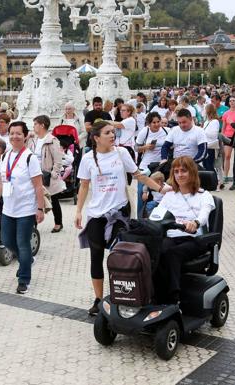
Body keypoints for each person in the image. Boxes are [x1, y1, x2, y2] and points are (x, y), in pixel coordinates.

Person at [75, 121, 162, 315]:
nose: (112, 136)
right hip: (97, 213)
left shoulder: (122, 153)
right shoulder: (88, 158)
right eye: (107, 133)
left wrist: (162, 189)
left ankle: (122, 294)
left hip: (120, 212)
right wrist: (79, 210)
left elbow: (138, 175)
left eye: (113, 132)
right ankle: (98, 299)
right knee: (96, 257)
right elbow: (84, 186)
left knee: (120, 255)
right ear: (96, 138)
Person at [0, 121, 45, 295]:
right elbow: (0, 182)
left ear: (25, 136)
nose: (14, 136)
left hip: (26, 209)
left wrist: (40, 209)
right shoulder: (5, 156)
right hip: (8, 209)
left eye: (18, 133)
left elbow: (38, 186)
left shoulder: (29, 158)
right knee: (8, 241)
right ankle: (26, 261)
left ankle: (24, 279)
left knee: (23, 243)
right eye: (11, 133)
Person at [154, 156, 215, 304]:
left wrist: (195, 222)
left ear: (192, 173)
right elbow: (157, 214)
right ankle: (153, 293)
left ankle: (174, 297)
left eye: (183, 171)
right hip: (171, 237)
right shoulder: (169, 195)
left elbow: (204, 215)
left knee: (172, 254)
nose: (179, 174)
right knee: (156, 251)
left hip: (194, 239)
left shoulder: (204, 195)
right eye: (176, 171)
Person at [27, 115, 66, 233]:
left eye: (35, 124)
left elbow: (58, 159)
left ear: (42, 125)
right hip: (34, 174)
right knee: (34, 200)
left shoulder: (52, 140)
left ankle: (58, 223)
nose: (33, 126)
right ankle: (33, 226)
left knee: (53, 199)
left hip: (47, 175)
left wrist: (54, 173)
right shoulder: (33, 139)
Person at [135, 112, 168, 217]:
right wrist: (146, 147)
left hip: (160, 167)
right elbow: (136, 148)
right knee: (142, 194)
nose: (157, 124)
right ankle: (139, 219)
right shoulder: (145, 131)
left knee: (159, 193)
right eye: (154, 122)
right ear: (149, 123)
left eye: (158, 122)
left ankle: (156, 217)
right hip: (146, 166)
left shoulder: (166, 131)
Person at [221, 97, 235, 185]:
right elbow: (223, 126)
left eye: (233, 101)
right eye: (230, 101)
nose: (232, 102)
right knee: (227, 156)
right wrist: (222, 135)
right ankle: (225, 175)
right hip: (227, 135)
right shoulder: (226, 113)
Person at [202, 104, 220, 174]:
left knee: (210, 166)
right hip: (205, 145)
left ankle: (214, 182)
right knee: (205, 165)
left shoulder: (215, 121)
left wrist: (202, 132)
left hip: (211, 146)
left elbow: (214, 135)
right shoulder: (206, 121)